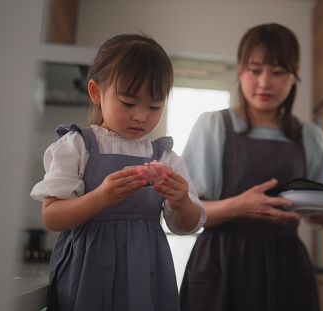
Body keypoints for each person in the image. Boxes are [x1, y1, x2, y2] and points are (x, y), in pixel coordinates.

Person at [179, 23, 323, 311]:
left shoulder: (310, 136)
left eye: (278, 72)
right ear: (239, 70)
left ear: (295, 74)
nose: (264, 83)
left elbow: (310, 209)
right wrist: (239, 206)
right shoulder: (213, 126)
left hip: (286, 265)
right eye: (255, 70)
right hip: (221, 264)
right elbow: (185, 214)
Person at [30, 33, 206, 311]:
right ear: (96, 92)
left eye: (154, 106)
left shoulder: (165, 157)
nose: (141, 116)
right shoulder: (77, 146)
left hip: (146, 275)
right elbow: (52, 217)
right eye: (128, 102)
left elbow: (186, 226)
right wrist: (101, 196)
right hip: (86, 273)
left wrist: (182, 201)